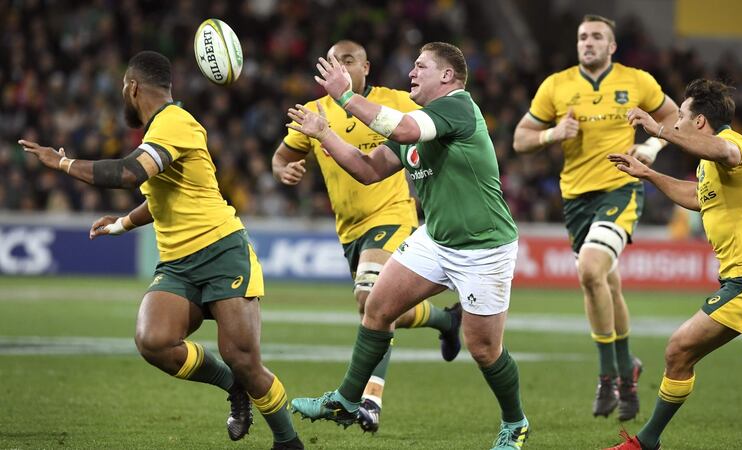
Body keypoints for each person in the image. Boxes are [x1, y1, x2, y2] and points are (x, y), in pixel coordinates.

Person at [19, 51, 303, 450]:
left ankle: (288, 442)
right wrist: (121, 224)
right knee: (153, 340)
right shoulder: (161, 132)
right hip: (178, 263)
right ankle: (233, 389)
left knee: (244, 359)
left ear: (132, 87)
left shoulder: (175, 122)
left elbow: (127, 173)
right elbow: (160, 200)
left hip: (222, 252)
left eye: (123, 86)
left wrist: (63, 163)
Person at [287, 42, 529, 450]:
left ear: (447, 76)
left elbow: (400, 130)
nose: (411, 72)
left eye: (421, 66)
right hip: (435, 239)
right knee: (377, 307)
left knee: (485, 349)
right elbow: (368, 170)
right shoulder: (417, 123)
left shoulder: (458, 107)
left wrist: (344, 95)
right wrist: (325, 133)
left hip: (483, 248)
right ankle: (347, 401)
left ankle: (515, 423)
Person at [271, 40, 463, 433]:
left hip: (392, 214)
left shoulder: (397, 101)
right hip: (350, 228)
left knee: (369, 298)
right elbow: (281, 156)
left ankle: (369, 399)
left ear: (366, 68)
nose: (340, 67)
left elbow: (442, 126)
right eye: (333, 61)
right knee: (382, 306)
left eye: (348, 61)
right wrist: (282, 171)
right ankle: (445, 320)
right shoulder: (313, 112)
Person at [603, 79, 742, 450]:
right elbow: (697, 197)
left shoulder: (733, 146)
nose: (675, 122)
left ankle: (645, 442)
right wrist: (648, 174)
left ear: (698, 122)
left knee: (678, 350)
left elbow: (725, 151)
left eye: (680, 115)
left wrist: (657, 128)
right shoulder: (708, 167)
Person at [512, 14, 679, 421]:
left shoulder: (636, 81)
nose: (588, 42)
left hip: (621, 189)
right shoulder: (556, 85)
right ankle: (628, 369)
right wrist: (553, 134)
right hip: (576, 199)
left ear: (612, 46)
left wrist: (651, 149)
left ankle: (608, 375)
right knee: (604, 282)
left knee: (590, 270)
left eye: (597, 37)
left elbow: (674, 115)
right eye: (583, 37)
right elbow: (520, 138)